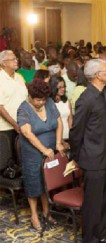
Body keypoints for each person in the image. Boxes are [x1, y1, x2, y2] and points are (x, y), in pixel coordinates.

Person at [70, 59, 106, 243]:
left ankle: (100, 235)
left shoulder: (101, 94)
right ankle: (89, 242)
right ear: (98, 75)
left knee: (103, 200)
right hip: (92, 159)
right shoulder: (86, 98)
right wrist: (76, 157)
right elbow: (76, 131)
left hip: (105, 157)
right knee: (92, 203)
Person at [17, 78, 65, 231]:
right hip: (33, 152)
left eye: (43, 99)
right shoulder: (23, 109)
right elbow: (27, 133)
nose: (41, 103)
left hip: (51, 148)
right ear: (30, 96)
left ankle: (46, 212)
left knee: (47, 181)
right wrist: (44, 150)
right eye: (38, 100)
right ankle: (34, 216)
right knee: (34, 183)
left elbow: (59, 123)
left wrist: (58, 143)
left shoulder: (49, 103)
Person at [0, 50, 28, 170]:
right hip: (6, 129)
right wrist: (15, 125)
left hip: (22, 125)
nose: (16, 61)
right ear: (4, 63)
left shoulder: (20, 77)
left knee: (21, 160)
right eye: (13, 59)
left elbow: (26, 100)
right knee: (8, 164)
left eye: (16, 58)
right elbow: (0, 107)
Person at [49, 76, 73, 143]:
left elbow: (70, 119)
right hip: (56, 138)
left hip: (68, 136)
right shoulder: (49, 103)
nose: (63, 89)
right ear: (53, 87)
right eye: (60, 87)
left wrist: (72, 135)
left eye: (64, 87)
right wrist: (61, 141)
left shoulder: (67, 101)